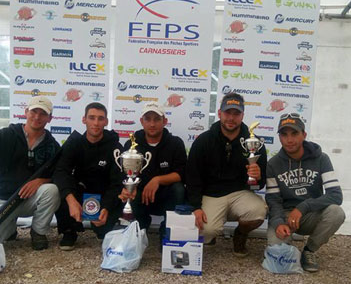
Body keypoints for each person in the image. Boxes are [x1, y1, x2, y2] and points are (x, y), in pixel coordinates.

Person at [0, 95, 61, 250]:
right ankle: (9, 228)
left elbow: (60, 175)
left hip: (29, 201)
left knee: (52, 190)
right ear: (26, 112)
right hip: (2, 200)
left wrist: (41, 181)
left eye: (43, 113)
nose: (37, 117)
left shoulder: (53, 146)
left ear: (49, 118)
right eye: (34, 111)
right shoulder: (4, 135)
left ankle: (38, 232)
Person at [186, 93, 268, 257]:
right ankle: (213, 232)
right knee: (206, 232)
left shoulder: (254, 142)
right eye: (227, 113)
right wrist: (195, 207)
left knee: (259, 211)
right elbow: (192, 177)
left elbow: (260, 184)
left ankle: (240, 234)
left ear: (242, 115)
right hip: (211, 195)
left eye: (236, 113)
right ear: (219, 113)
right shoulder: (204, 141)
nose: (231, 118)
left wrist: (258, 177)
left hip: (240, 194)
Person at [265, 113, 345, 272]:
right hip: (286, 216)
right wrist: (278, 223)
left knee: (336, 213)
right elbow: (273, 200)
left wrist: (303, 207)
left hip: (310, 214)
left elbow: (336, 195)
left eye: (294, 133)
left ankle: (309, 251)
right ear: (279, 137)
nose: (289, 139)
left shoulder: (321, 159)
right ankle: (287, 244)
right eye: (284, 134)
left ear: (304, 135)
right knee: (277, 251)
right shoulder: (273, 164)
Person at [52, 102, 124, 250]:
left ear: (106, 121)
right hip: (80, 192)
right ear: (84, 119)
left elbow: (117, 183)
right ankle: (69, 230)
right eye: (91, 118)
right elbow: (60, 171)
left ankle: (103, 227)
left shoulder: (115, 147)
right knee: (61, 188)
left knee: (121, 195)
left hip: (103, 194)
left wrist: (106, 207)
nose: (96, 123)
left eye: (100, 118)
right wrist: (71, 200)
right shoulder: (74, 143)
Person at [118, 102, 187, 242]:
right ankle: (140, 226)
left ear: (165, 121)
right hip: (141, 194)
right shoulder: (131, 145)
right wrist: (129, 188)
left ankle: (167, 230)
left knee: (179, 189)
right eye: (148, 119)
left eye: (157, 119)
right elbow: (124, 175)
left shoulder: (175, 143)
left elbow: (182, 174)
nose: (152, 124)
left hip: (165, 195)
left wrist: (157, 180)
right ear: (141, 121)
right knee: (127, 191)